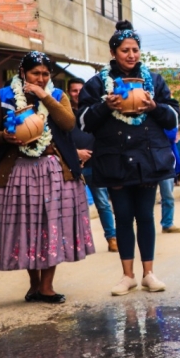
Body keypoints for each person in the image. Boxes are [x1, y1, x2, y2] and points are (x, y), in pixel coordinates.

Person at [0, 51, 93, 303]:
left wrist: (45, 97)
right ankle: (34, 284)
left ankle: (48, 286)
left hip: (53, 171)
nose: (40, 78)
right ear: (22, 73)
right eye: (35, 73)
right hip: (19, 171)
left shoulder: (58, 95)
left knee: (52, 227)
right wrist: (4, 137)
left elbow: (68, 123)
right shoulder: (4, 97)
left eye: (45, 74)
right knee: (28, 228)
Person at [79, 21, 180, 296]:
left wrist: (154, 106)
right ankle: (127, 276)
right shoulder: (98, 83)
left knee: (145, 216)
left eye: (135, 49)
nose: (131, 55)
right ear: (114, 52)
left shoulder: (155, 81)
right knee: (123, 216)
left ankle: (149, 273)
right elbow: (83, 123)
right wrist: (105, 106)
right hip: (115, 159)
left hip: (148, 158)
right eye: (125, 50)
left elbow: (173, 117)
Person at [67, 77, 117, 252]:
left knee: (102, 203)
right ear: (69, 93)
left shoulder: (94, 111)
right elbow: (58, 139)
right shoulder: (64, 114)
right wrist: (75, 154)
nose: (78, 93)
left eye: (81, 90)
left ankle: (112, 238)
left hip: (95, 164)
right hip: (72, 165)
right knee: (75, 207)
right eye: (74, 90)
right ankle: (79, 243)